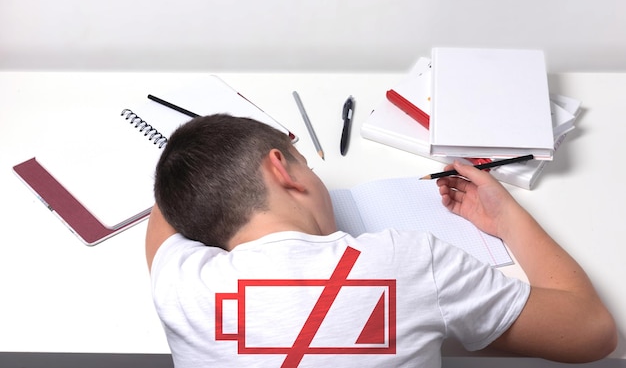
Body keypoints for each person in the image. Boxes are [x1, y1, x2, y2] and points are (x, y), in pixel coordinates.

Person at [146, 114, 616, 368]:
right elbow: (592, 333)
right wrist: (506, 215)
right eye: (305, 161)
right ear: (281, 169)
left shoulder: (180, 284)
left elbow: (164, 211)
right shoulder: (408, 261)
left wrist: (194, 172)